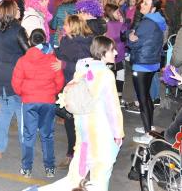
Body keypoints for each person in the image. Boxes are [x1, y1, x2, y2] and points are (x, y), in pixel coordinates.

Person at [39, 36, 124, 191]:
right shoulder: (106, 75)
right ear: (103, 53)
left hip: (83, 132)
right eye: (112, 50)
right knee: (100, 177)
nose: (116, 52)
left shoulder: (82, 68)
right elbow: (113, 108)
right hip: (101, 133)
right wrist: (118, 133)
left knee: (75, 177)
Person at [12, 29, 64, 178]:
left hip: (29, 102)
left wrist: (25, 93)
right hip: (48, 101)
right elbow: (59, 82)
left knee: (29, 135)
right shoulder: (53, 59)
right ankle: (49, 168)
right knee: (47, 135)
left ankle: (27, 168)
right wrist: (50, 92)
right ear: (44, 40)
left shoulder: (23, 60)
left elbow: (16, 83)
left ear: (30, 42)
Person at [55, 14, 94, 168]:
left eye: (66, 24)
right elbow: (61, 56)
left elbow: (85, 68)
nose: (63, 26)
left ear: (73, 27)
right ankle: (72, 153)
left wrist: (64, 64)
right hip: (67, 86)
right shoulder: (66, 40)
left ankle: (78, 154)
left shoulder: (86, 44)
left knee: (78, 122)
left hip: (79, 87)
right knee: (70, 121)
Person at [127, 0, 167, 144]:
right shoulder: (157, 21)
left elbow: (135, 42)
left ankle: (148, 133)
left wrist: (130, 38)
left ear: (153, 8)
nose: (141, 5)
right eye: (143, 2)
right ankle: (149, 126)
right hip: (151, 63)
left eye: (146, 3)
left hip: (142, 63)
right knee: (147, 97)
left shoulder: (147, 23)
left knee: (143, 99)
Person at [0, 0, 29, 159]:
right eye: (17, 8)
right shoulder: (18, 30)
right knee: (22, 114)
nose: (20, 10)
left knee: (4, 113)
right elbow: (28, 52)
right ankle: (26, 149)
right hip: (17, 75)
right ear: (12, 12)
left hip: (0, 73)